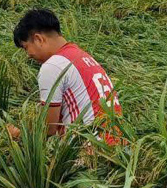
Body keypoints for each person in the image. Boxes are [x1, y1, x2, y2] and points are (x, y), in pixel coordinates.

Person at [10, 8, 121, 138]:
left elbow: (48, 128)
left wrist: (17, 134)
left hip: (93, 149)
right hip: (117, 145)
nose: (28, 55)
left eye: (26, 47)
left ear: (38, 39)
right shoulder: (82, 56)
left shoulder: (52, 65)